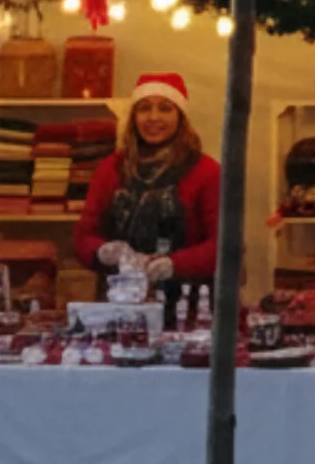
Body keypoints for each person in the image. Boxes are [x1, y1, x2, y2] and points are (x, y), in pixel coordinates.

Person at [76, 73, 221, 299]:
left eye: (165, 108)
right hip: (119, 300)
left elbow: (223, 244)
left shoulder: (206, 171)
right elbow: (84, 235)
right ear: (133, 116)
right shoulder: (111, 169)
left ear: (181, 116)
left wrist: (173, 264)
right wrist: (105, 252)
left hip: (190, 303)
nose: (153, 118)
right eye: (144, 108)